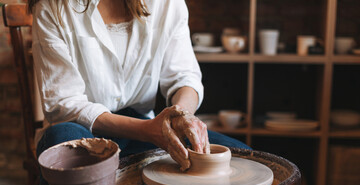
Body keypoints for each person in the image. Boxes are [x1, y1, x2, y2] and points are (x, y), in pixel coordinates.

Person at [30, 0, 250, 175]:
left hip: (146, 131)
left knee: (247, 159)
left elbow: (184, 77)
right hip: (84, 130)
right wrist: (148, 130)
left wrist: (181, 114)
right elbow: (63, 104)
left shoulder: (167, 4)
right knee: (64, 142)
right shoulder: (53, 6)